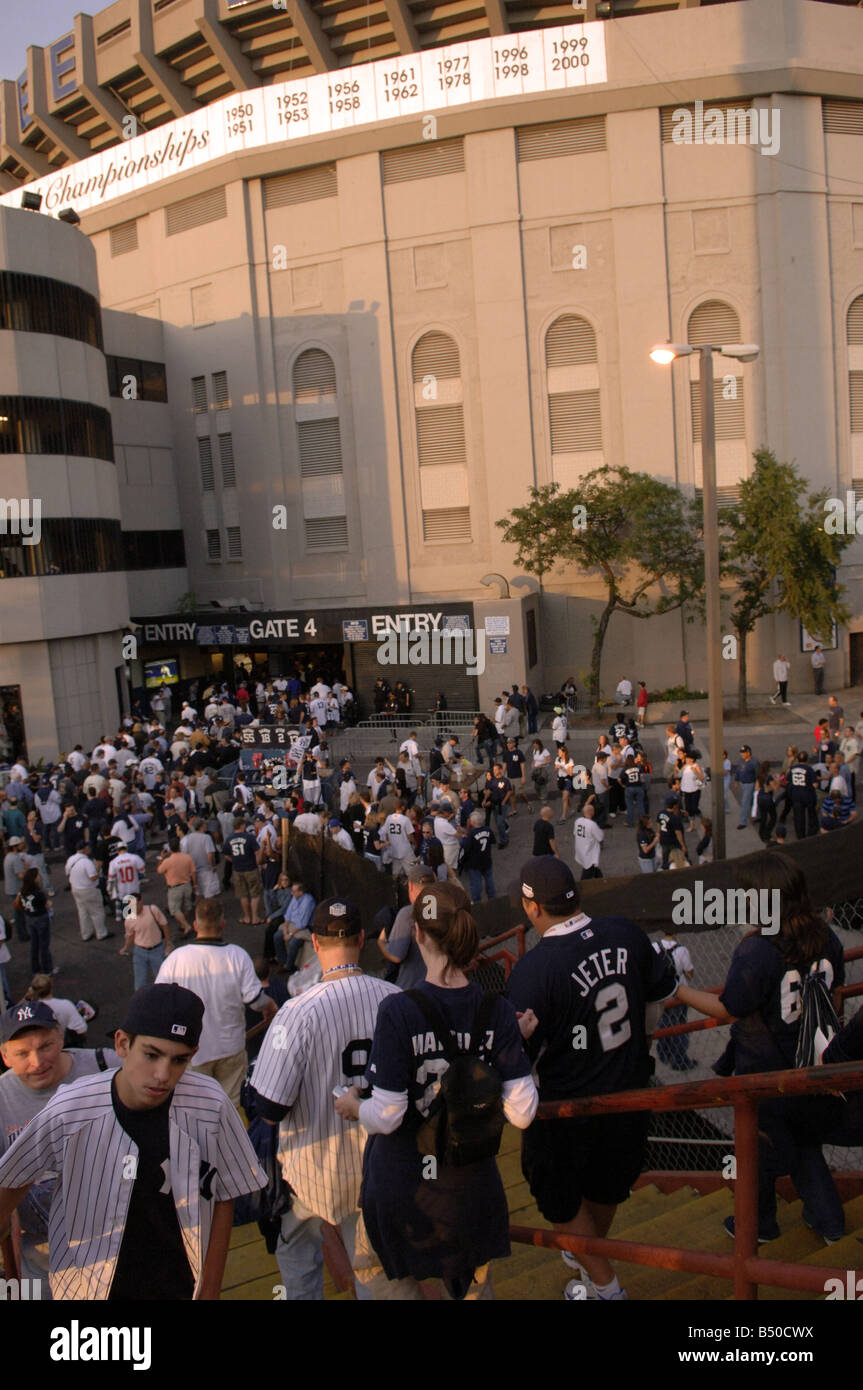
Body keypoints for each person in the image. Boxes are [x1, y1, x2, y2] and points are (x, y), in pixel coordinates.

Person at [0, 984, 267, 1299]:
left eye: (178, 1060)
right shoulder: (70, 1107)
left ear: (193, 1056)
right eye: (151, 1055)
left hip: (180, 1280)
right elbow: (11, 1179)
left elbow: (226, 1193)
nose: (162, 1074)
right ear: (123, 1043)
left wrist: (210, 1286)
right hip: (89, 1287)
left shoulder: (210, 1103)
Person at [336, 881, 537, 1299]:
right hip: (470, 1184)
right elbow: (522, 1112)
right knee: (472, 1283)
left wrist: (355, 1107)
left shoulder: (398, 1010)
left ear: (419, 934)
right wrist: (508, 1047)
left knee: (378, 1272)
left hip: (406, 1185)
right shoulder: (496, 1011)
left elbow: (387, 1115)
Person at [507, 857, 677, 1301]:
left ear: (532, 908)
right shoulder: (624, 931)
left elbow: (516, 1066)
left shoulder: (532, 970)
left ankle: (605, 1286)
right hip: (630, 1090)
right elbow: (656, 1002)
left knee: (559, 1196)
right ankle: (589, 1257)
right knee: (609, 1182)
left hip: (566, 1106)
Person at [674, 856, 846, 1245]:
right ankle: (829, 1222)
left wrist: (678, 990)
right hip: (812, 1067)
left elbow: (728, 1007)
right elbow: (835, 1000)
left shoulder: (758, 951)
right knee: (803, 1142)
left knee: (755, 1151)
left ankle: (760, 1226)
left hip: (765, 1072)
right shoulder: (826, 937)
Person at [251, 897, 403, 1300]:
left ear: (315, 943)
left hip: (310, 1168)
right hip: (379, 1163)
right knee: (372, 1268)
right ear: (361, 939)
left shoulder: (296, 1012)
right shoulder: (396, 998)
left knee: (298, 1254)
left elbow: (269, 1106)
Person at [0, 1000, 120, 1292]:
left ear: (61, 1037)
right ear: (4, 1056)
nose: (37, 1062)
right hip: (41, 1255)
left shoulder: (110, 1067)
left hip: (115, 1246)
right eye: (22, 1054)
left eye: (45, 1046)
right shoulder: (1, 1098)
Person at [156, 898, 277, 1108]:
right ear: (223, 924)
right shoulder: (238, 956)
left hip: (193, 1049)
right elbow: (255, 1000)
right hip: (231, 1046)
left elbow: (158, 1000)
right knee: (232, 1106)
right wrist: (270, 1006)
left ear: (195, 925)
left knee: (196, 1107)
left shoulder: (176, 959)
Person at [654, 932, 696, 1071]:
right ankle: (680, 1060)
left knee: (664, 1024)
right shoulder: (682, 950)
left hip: (661, 993)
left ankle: (664, 1054)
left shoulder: (654, 947)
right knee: (680, 1026)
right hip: (679, 993)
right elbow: (689, 973)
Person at [119, 892, 173, 990]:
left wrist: (168, 943)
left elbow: (164, 925)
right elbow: (130, 935)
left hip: (157, 950)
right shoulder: (129, 920)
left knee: (163, 980)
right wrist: (125, 947)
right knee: (139, 984)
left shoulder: (152, 910)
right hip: (140, 952)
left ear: (141, 901)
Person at [65, 842, 112, 942]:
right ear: (85, 849)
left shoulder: (70, 859)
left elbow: (67, 874)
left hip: (76, 889)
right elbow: (93, 877)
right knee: (97, 912)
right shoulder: (86, 862)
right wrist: (98, 873)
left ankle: (86, 934)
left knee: (83, 912)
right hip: (88, 890)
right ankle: (101, 933)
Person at [23, 975, 87, 1045]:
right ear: (51, 987)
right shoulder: (66, 1005)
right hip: (61, 1044)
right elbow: (81, 1029)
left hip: (40, 1047)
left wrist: (27, 997)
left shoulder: (29, 1009)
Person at [225, 816, 264, 925]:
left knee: (243, 894)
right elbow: (257, 852)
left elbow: (226, 855)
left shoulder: (229, 839)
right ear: (242, 825)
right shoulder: (249, 837)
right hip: (251, 868)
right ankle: (255, 917)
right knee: (255, 893)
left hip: (237, 869)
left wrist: (235, 860)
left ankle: (246, 917)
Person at [15, 867, 53, 976]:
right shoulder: (38, 893)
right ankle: (47, 969)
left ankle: (35, 969)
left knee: (34, 944)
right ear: (35, 878)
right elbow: (46, 904)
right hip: (41, 918)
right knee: (44, 945)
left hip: (30, 918)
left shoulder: (22, 891)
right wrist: (49, 904)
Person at [461, 809, 496, 903]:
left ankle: (476, 900)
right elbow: (493, 841)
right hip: (487, 859)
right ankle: (492, 898)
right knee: (489, 880)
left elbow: (466, 847)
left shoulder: (472, 834)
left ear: (472, 822)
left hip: (475, 863)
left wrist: (464, 839)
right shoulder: (488, 830)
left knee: (476, 883)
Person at [788, 750, 819, 840]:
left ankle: (800, 835)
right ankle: (811, 832)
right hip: (808, 795)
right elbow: (815, 784)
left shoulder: (793, 768)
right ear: (807, 759)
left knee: (798, 817)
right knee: (811, 814)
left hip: (796, 795)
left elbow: (788, 779)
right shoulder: (809, 769)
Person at [483, 763, 512, 849]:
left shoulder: (505, 781)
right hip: (494, 804)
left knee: (499, 823)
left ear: (500, 770)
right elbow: (489, 791)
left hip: (501, 805)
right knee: (498, 823)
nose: (494, 772)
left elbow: (509, 791)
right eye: (493, 770)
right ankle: (503, 837)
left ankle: (504, 840)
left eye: (496, 770)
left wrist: (504, 801)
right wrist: (485, 799)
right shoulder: (493, 781)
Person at [573, 798, 604, 879]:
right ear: (592, 813)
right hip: (589, 851)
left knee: (593, 867)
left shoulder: (578, 821)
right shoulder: (592, 824)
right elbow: (600, 837)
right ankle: (582, 885)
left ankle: (600, 878)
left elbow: (575, 833)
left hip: (580, 848)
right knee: (588, 869)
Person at [733, 745, 757, 830]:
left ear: (748, 753)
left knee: (744, 802)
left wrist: (758, 784)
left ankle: (742, 822)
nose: (742, 754)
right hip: (742, 783)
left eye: (743, 753)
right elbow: (738, 771)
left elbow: (757, 774)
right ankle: (758, 815)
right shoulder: (741, 761)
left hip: (750, 784)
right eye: (741, 753)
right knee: (752, 800)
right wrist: (736, 781)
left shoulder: (754, 762)